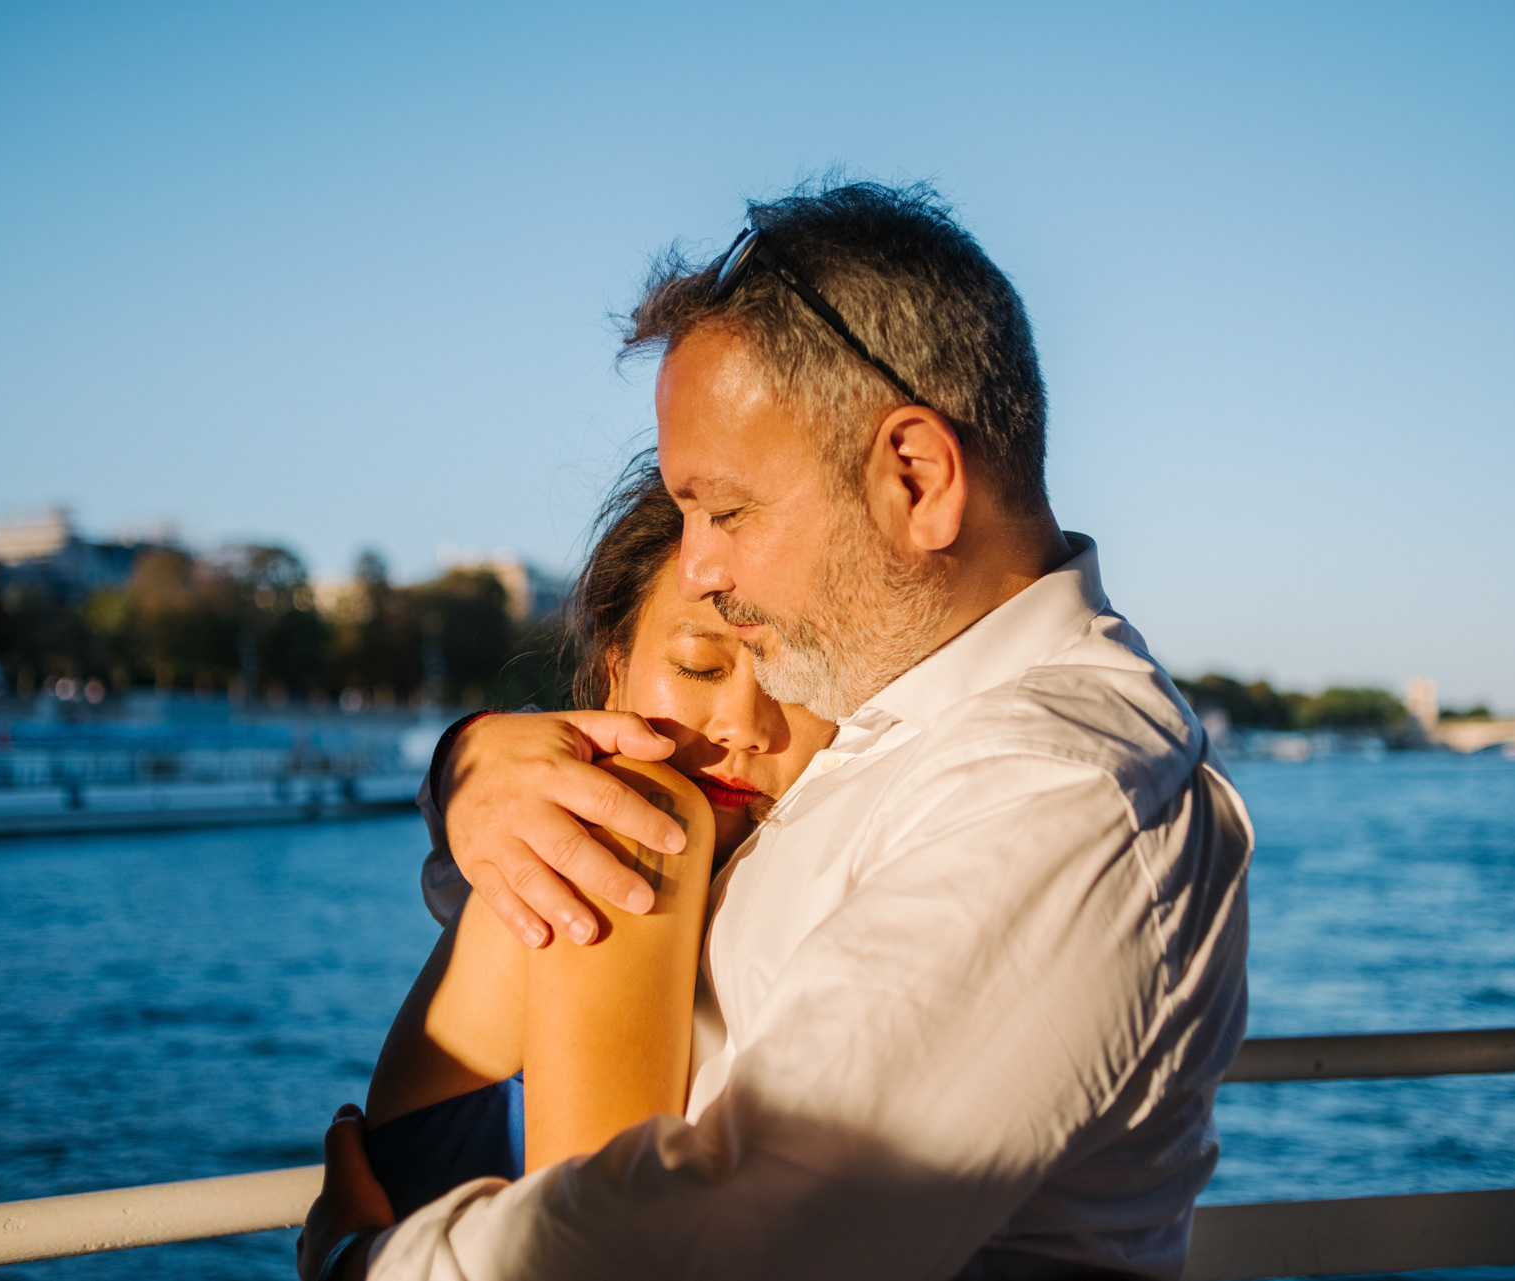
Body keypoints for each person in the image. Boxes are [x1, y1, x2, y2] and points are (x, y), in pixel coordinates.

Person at [306, 179, 1253, 1281]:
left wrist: (368, 1268)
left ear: (915, 478)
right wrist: (468, 763)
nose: (699, 564)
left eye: (727, 510)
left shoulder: (1054, 790)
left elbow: (750, 1231)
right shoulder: (887, 728)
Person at [300, 463, 833, 1265]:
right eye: (699, 664)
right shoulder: (627, 822)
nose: (745, 725)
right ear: (613, 668)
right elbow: (587, 1256)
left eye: (794, 678)